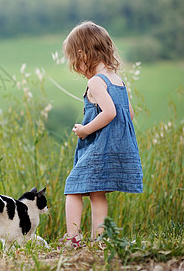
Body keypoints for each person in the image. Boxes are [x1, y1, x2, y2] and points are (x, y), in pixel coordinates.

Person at [59, 21, 143, 248]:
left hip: (100, 149)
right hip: (118, 147)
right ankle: (100, 239)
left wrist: (85, 129)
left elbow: (111, 112)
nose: (75, 66)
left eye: (74, 61)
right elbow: (129, 114)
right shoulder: (118, 80)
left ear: (82, 54)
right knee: (97, 194)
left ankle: (73, 239)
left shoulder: (96, 82)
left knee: (73, 187)